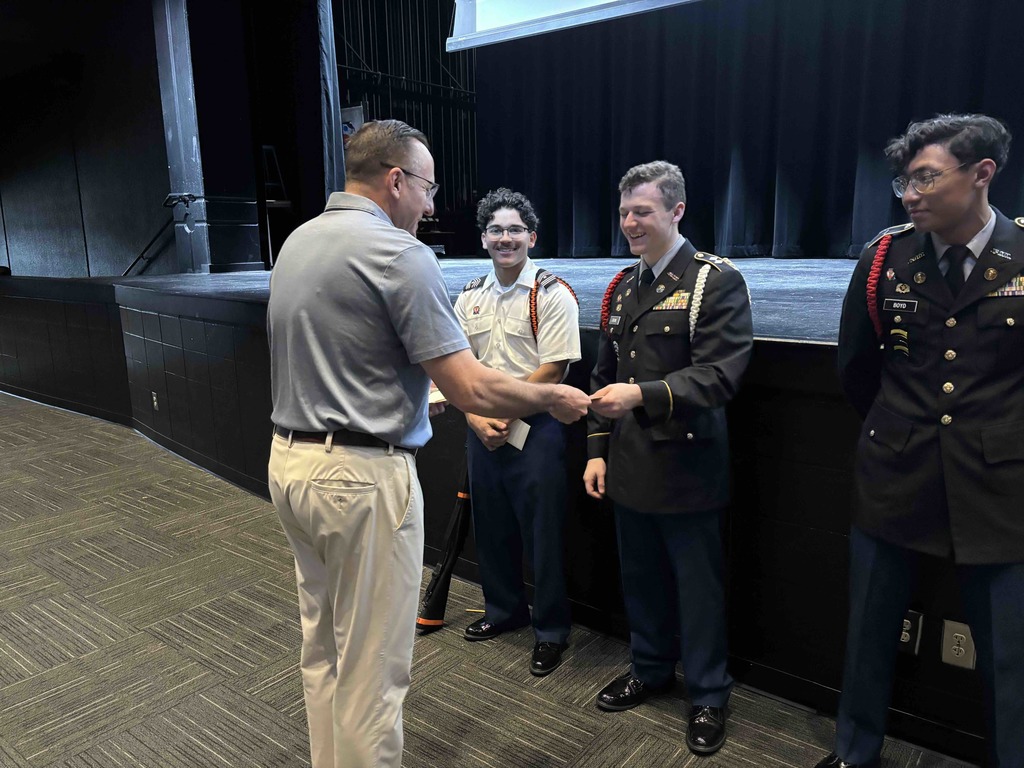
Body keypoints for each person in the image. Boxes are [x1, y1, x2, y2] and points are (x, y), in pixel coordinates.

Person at [266, 119, 590, 768]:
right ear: (396, 180)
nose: (433, 205)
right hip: (360, 482)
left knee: (324, 653)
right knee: (373, 679)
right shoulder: (397, 254)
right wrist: (552, 398)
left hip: (291, 467)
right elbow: (470, 386)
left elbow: (360, 360)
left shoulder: (299, 240)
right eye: (428, 187)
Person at [821, 114, 1024, 768]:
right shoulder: (887, 256)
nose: (909, 193)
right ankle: (855, 753)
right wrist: (899, 429)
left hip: (1000, 487)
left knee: (1008, 652)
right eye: (903, 180)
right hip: (895, 474)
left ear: (982, 173)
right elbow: (856, 366)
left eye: (926, 178)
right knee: (867, 633)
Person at [584, 161, 753, 756]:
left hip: (686, 468)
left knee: (697, 589)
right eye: (625, 211)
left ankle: (708, 694)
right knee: (642, 580)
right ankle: (650, 668)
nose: (630, 222)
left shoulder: (713, 281)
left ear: (677, 212)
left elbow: (719, 374)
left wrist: (643, 396)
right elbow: (606, 374)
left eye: (643, 212)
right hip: (629, 462)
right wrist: (597, 451)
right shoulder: (626, 285)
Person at [454, 188, 581, 676]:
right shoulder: (469, 295)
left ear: (532, 236)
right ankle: (503, 612)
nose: (505, 238)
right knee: (492, 527)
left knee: (543, 534)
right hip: (481, 425)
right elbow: (459, 368)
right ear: (484, 238)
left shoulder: (552, 293)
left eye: (514, 229)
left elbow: (553, 369)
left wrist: (502, 411)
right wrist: (473, 415)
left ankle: (550, 630)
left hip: (536, 427)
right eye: (495, 230)